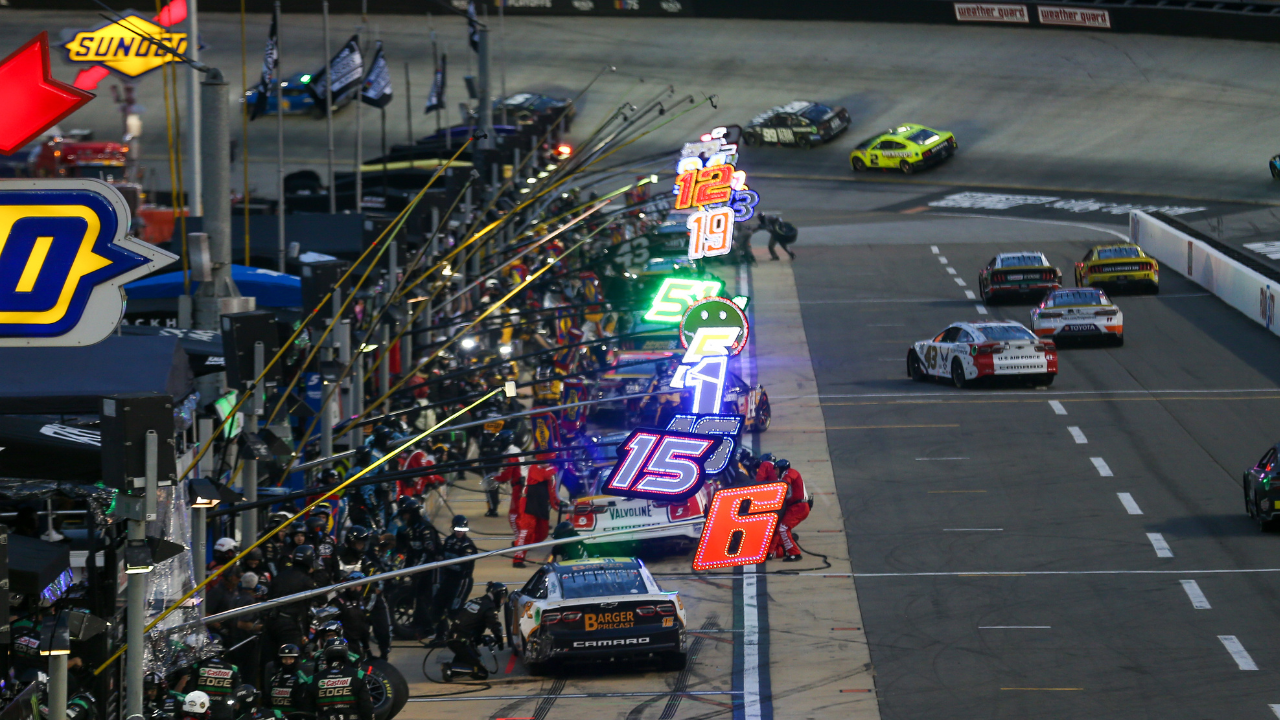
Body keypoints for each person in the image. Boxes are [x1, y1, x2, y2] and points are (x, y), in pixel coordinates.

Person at [394, 498, 441, 638]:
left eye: (406, 514)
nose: (404, 517)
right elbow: (410, 553)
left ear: (413, 513)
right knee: (415, 594)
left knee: (423, 598)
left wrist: (417, 569)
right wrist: (405, 572)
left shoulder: (425, 529)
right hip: (419, 569)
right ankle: (416, 623)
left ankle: (428, 627)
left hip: (432, 568)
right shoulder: (411, 530)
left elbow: (430, 553)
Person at [443, 582, 506, 681]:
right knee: (482, 673)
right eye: (503, 598)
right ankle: (450, 668)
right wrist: (500, 641)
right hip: (462, 641)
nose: (502, 601)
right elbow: (496, 627)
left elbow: (469, 624)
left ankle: (457, 667)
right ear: (499, 595)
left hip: (453, 637)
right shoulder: (489, 607)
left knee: (469, 659)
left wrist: (482, 638)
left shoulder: (475, 601)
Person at [429, 515, 478, 641]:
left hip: (462, 581)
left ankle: (465, 635)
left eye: (462, 530)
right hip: (448, 579)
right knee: (438, 605)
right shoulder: (449, 540)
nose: (459, 532)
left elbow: (462, 567)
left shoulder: (468, 547)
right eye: (457, 529)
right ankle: (441, 635)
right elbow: (441, 554)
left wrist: (444, 562)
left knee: (454, 609)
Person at [266, 545, 318, 650]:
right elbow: (322, 598)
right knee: (291, 657)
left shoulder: (280, 576)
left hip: (271, 623)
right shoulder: (306, 581)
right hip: (291, 626)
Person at [308, 640, 374, 720]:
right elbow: (366, 705)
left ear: (326, 655)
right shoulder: (358, 675)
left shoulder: (313, 679)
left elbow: (308, 710)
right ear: (346, 654)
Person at [514, 455, 556, 567]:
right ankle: (518, 558)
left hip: (541, 505)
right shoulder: (534, 468)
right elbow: (543, 476)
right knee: (526, 531)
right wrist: (555, 468)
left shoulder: (550, 473)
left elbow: (551, 491)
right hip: (529, 503)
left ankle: (521, 545)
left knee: (542, 533)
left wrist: (555, 505)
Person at [768, 459, 810, 562]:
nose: (775, 472)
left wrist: (782, 484)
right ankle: (772, 551)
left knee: (783, 528)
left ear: (782, 469)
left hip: (799, 506)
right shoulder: (783, 479)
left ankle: (794, 553)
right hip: (794, 507)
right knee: (780, 528)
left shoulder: (790, 472)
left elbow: (788, 479)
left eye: (776, 469)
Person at [331, 572, 373, 659]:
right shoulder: (338, 601)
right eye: (356, 585)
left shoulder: (361, 601)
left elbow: (363, 626)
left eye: (360, 585)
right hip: (343, 645)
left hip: (357, 645)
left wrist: (367, 648)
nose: (359, 588)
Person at [265, 644, 308, 714]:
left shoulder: (301, 680)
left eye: (291, 659)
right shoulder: (274, 678)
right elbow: (268, 701)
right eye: (285, 659)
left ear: (296, 659)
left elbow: (302, 705)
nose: (288, 662)